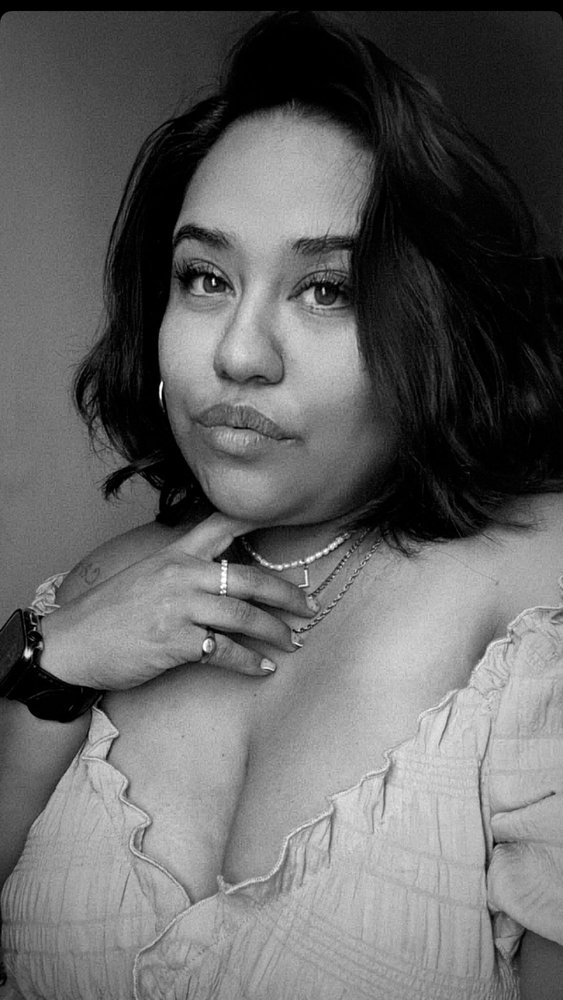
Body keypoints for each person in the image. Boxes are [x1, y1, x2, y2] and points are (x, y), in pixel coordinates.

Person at [1, 10, 563, 999]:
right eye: (205, 278)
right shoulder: (99, 591)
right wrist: (49, 664)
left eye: (326, 291)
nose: (238, 353)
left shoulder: (535, 596)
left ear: (439, 324)